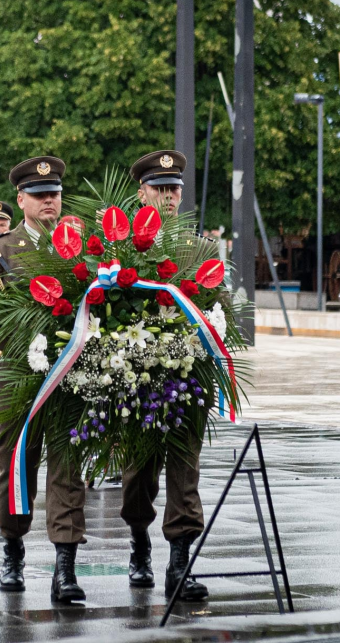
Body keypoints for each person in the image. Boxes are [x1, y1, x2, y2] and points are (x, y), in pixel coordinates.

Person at [0, 156, 87, 602]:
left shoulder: (80, 247)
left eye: (54, 195)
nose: (49, 202)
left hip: (71, 377)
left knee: (67, 471)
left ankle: (65, 567)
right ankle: (13, 552)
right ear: (21, 200)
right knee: (17, 468)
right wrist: (43, 341)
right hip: (20, 376)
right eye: (40, 196)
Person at [122, 150, 209, 601]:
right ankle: (139, 543)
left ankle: (179, 565)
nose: (170, 195)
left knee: (185, 469)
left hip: (187, 373)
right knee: (139, 475)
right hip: (138, 376)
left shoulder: (197, 247)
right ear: (142, 194)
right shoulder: (121, 245)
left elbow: (218, 306)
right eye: (160, 188)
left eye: (175, 188)